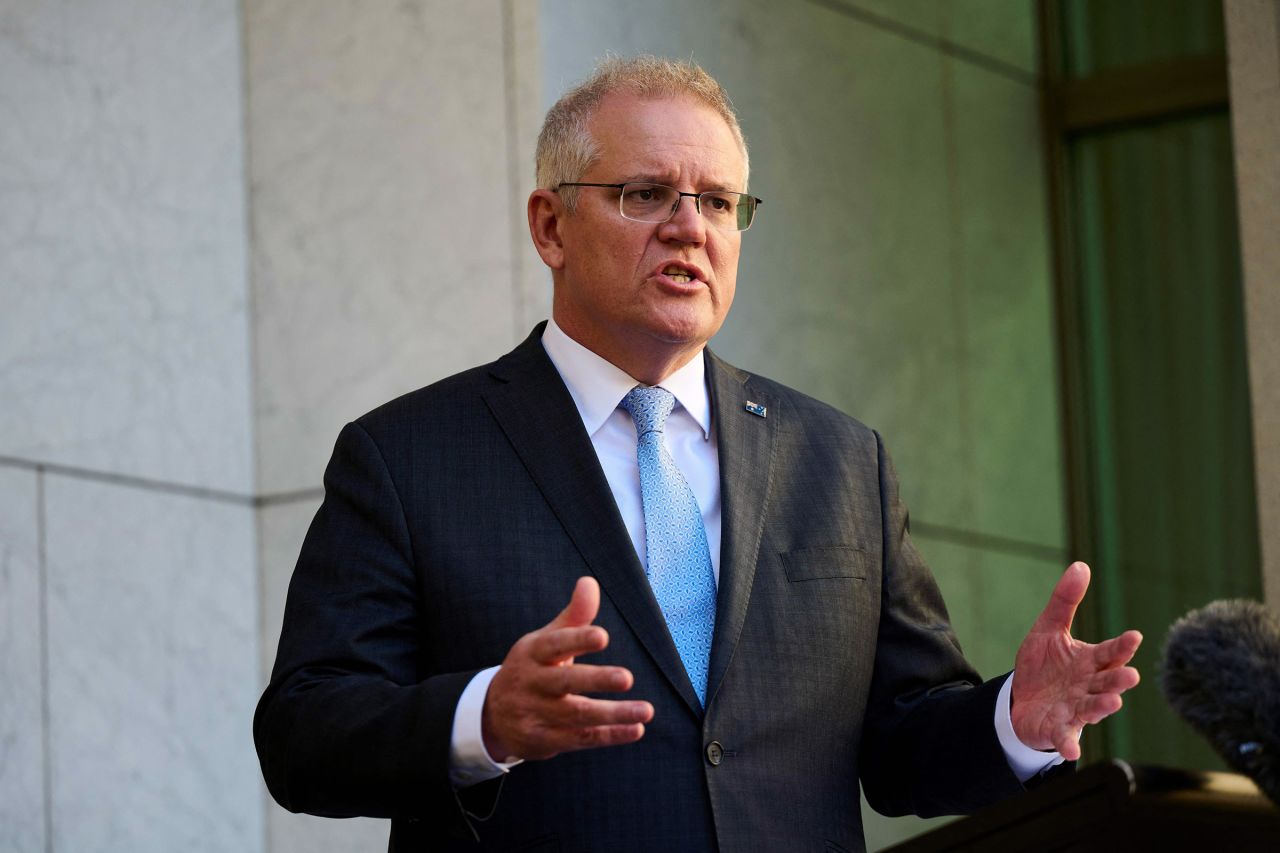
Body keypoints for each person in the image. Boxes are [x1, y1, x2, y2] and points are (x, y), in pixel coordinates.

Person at [255, 56, 1142, 853]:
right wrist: (482, 718)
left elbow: (902, 744)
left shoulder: (840, 461)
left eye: (718, 201)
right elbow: (303, 735)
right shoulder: (409, 456)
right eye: (645, 193)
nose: (690, 227)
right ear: (551, 226)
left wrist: (1014, 721)